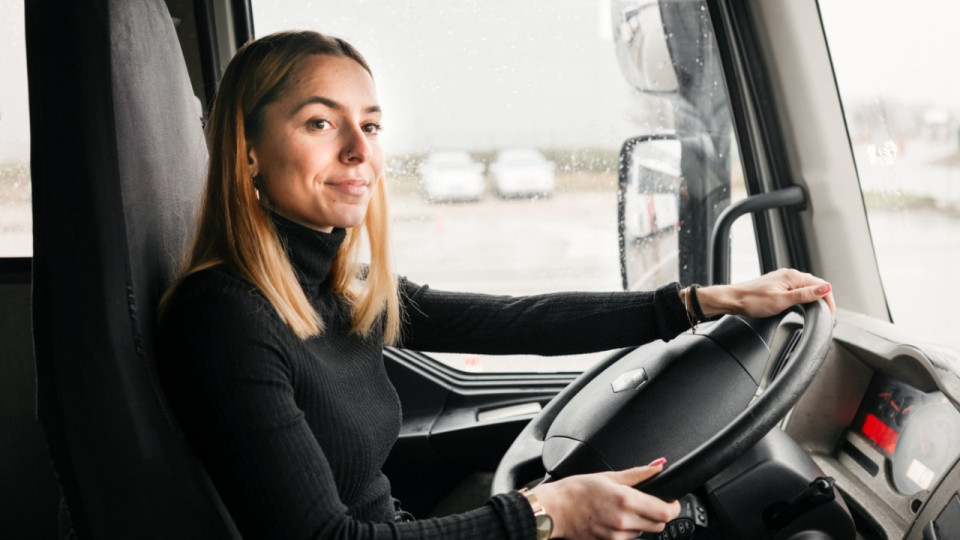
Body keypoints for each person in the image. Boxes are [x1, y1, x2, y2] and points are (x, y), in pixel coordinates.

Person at [157, 30, 836, 540]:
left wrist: (701, 302)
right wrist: (543, 515)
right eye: (320, 122)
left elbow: (514, 319)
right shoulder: (225, 316)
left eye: (369, 125)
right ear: (247, 150)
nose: (361, 152)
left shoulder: (334, 285)